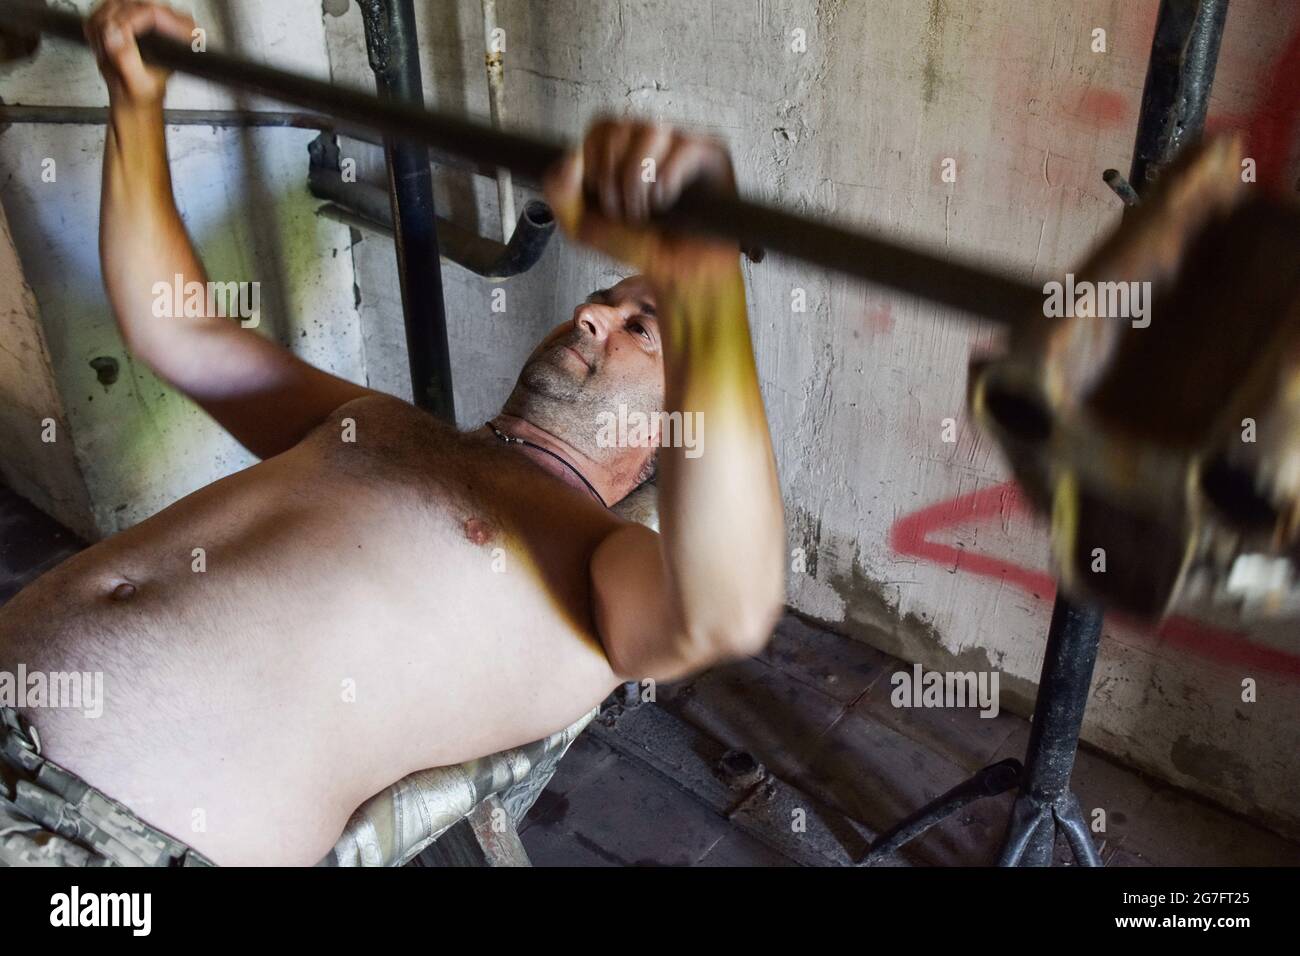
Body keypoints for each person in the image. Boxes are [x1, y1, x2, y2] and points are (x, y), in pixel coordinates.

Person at [0, 0, 784, 866]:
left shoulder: (602, 573)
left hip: (103, 851)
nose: (595, 311)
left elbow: (725, 612)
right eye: (610, 296)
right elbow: (175, 331)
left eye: (642, 327)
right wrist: (136, 102)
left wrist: (705, 278)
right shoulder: (378, 425)